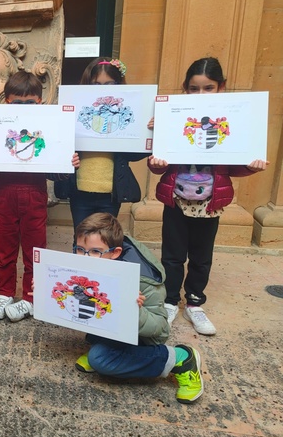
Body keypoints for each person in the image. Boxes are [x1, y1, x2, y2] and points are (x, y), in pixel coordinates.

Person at [148, 57, 268, 335]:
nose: (200, 94)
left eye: (208, 88)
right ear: (185, 88)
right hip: (177, 201)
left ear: (221, 87)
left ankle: (195, 303)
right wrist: (157, 152)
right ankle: (169, 301)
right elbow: (156, 165)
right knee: (172, 256)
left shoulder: (231, 120)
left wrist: (251, 166)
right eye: (194, 88)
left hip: (209, 204)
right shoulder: (175, 118)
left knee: (201, 258)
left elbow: (234, 165)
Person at [0, 71, 80, 322]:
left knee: (35, 250)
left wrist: (68, 164)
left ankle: (31, 298)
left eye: (29, 102)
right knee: (4, 249)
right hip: (3, 195)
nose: (24, 107)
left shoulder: (49, 127)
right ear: (7, 102)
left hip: (34, 195)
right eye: (17, 102)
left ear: (39, 102)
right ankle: (5, 293)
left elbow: (55, 172)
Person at [72, 213, 204, 404]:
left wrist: (135, 310)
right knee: (92, 320)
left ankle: (181, 359)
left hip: (144, 336)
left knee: (99, 359)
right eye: (80, 250)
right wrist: (47, 290)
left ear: (115, 252)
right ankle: (105, 344)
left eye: (95, 251)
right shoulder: (91, 265)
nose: (86, 257)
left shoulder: (143, 279)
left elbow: (159, 328)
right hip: (114, 328)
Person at [55, 57, 149, 231]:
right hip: (80, 190)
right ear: (87, 85)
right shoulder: (77, 112)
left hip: (110, 192)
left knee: (105, 240)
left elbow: (136, 154)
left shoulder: (124, 115)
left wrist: (148, 132)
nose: (104, 89)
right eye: (96, 84)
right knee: (81, 237)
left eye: (111, 84)